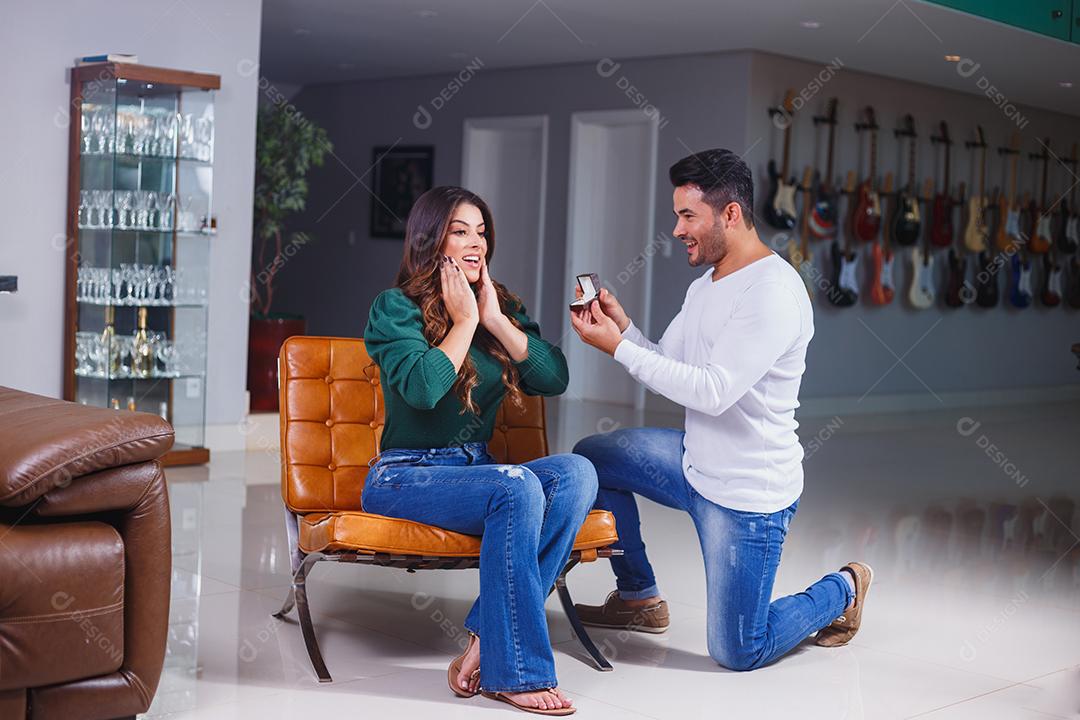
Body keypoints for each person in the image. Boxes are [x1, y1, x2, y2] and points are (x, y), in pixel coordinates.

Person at [568, 149, 872, 671]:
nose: (678, 230)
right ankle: (639, 597)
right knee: (593, 457)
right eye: (676, 216)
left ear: (730, 214)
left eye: (688, 216)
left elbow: (712, 391)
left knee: (739, 650)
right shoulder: (705, 285)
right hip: (693, 461)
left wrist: (617, 349)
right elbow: (668, 364)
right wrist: (625, 330)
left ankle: (843, 588)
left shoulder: (773, 292)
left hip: (746, 494)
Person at [363, 185, 595, 714]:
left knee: (578, 472)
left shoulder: (501, 305)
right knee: (515, 487)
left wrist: (492, 319)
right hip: (404, 476)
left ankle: (486, 639)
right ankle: (515, 673)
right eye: (460, 231)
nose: (476, 244)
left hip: (481, 474)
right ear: (430, 240)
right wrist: (463, 320)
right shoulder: (393, 308)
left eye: (482, 232)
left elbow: (554, 377)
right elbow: (423, 389)